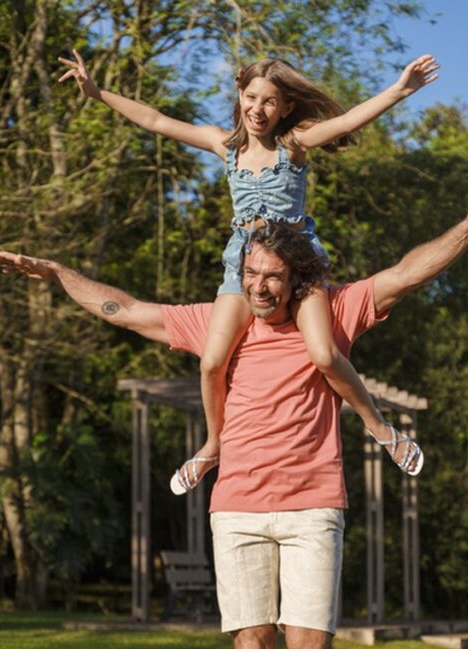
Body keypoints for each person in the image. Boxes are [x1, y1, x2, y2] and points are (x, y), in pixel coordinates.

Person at [0, 178, 468, 649]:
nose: (260, 287)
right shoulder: (218, 324)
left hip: (313, 505)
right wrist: (59, 273)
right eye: (251, 275)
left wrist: (467, 231)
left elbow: (404, 275)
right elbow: (127, 310)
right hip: (236, 506)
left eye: (272, 276)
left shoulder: (333, 312)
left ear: (296, 278)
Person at [57, 49, 440, 493]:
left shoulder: (293, 144)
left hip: (297, 262)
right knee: (212, 361)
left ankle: (379, 427)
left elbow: (348, 121)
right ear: (239, 93)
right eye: (252, 98)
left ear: (287, 108)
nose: (258, 109)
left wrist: (398, 90)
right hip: (245, 263)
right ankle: (214, 445)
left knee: (323, 354)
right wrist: (96, 92)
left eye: (270, 102)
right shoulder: (225, 145)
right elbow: (156, 121)